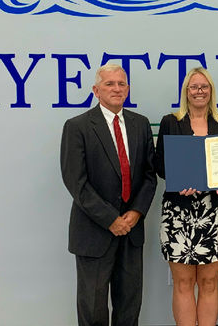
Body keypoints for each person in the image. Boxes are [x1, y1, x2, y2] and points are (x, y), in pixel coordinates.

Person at [60, 63, 157, 326]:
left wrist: (135, 213)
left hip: (132, 231)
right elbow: (76, 182)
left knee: (129, 305)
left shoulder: (141, 124)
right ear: (96, 90)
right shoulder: (77, 126)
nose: (116, 88)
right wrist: (111, 219)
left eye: (121, 84)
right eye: (109, 84)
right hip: (94, 232)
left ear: (128, 89)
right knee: (93, 307)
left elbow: (149, 175)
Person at [154, 67, 218, 326]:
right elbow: (160, 164)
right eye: (193, 87)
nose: (199, 91)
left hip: (214, 211)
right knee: (184, 282)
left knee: (209, 282)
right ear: (186, 92)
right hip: (178, 212)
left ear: (211, 91)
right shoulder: (170, 121)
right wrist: (179, 182)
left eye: (204, 87)